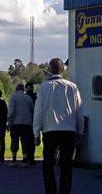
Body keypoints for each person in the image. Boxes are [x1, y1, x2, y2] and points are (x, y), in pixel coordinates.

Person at [34, 58, 84, 194]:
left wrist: (36, 133)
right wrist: (80, 131)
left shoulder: (44, 87)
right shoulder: (72, 87)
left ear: (49, 70)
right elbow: (79, 110)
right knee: (66, 166)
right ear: (63, 70)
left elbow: (38, 111)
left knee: (48, 165)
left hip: (50, 130)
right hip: (68, 130)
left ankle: (51, 191)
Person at [7, 83, 34, 167]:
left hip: (15, 123)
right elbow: (32, 110)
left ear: (16, 89)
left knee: (14, 141)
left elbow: (11, 111)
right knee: (25, 141)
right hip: (26, 123)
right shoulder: (28, 98)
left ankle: (14, 160)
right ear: (23, 89)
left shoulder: (13, 97)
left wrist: (9, 122)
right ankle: (25, 160)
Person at [25, 81, 37, 165]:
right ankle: (31, 157)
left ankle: (26, 157)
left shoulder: (25, 97)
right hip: (33, 120)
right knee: (32, 140)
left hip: (26, 120)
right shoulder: (36, 97)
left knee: (25, 140)